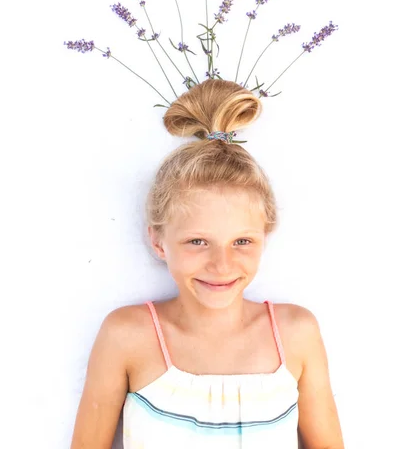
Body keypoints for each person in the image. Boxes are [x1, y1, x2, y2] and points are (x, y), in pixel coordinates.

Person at [70, 78, 345, 448]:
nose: (221, 264)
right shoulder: (126, 336)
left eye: (242, 241)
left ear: (266, 237)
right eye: (198, 241)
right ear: (158, 240)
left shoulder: (296, 334)